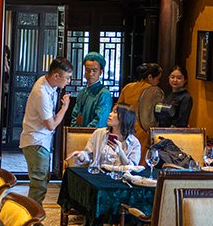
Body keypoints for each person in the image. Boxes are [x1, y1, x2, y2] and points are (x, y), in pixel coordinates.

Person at [20, 57, 74, 208]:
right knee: (39, 185)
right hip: (36, 142)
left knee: (42, 181)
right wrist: (65, 108)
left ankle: (33, 215)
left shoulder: (47, 83)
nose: (68, 81)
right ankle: (33, 218)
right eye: (67, 78)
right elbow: (51, 125)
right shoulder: (41, 92)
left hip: (40, 141)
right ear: (56, 76)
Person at [66, 104, 141, 168]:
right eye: (111, 111)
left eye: (115, 112)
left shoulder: (134, 143)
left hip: (120, 177)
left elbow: (132, 168)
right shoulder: (99, 133)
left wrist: (120, 152)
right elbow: (89, 155)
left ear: (124, 118)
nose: (110, 114)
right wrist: (81, 155)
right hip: (98, 174)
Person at [117, 63, 164, 158]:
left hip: (125, 127)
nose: (158, 82)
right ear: (150, 77)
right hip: (144, 130)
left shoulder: (128, 87)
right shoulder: (153, 91)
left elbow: (118, 108)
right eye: (158, 79)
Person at [69, 51, 113, 128]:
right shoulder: (82, 92)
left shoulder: (104, 94)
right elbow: (75, 115)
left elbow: (100, 120)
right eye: (88, 70)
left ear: (101, 72)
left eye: (94, 70)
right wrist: (75, 130)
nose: (90, 74)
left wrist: (84, 132)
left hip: (95, 134)